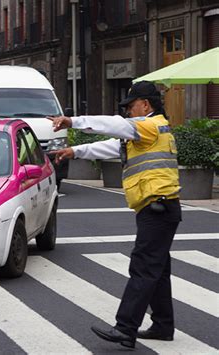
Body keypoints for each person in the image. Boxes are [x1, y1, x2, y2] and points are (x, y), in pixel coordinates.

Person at [48, 81, 182, 349]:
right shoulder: (146, 133)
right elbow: (113, 145)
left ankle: (125, 328)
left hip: (157, 208)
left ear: (146, 104)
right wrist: (75, 151)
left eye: (130, 106)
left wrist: (71, 121)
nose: (127, 112)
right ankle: (163, 325)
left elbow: (113, 125)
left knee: (143, 267)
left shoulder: (150, 126)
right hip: (159, 207)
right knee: (157, 268)